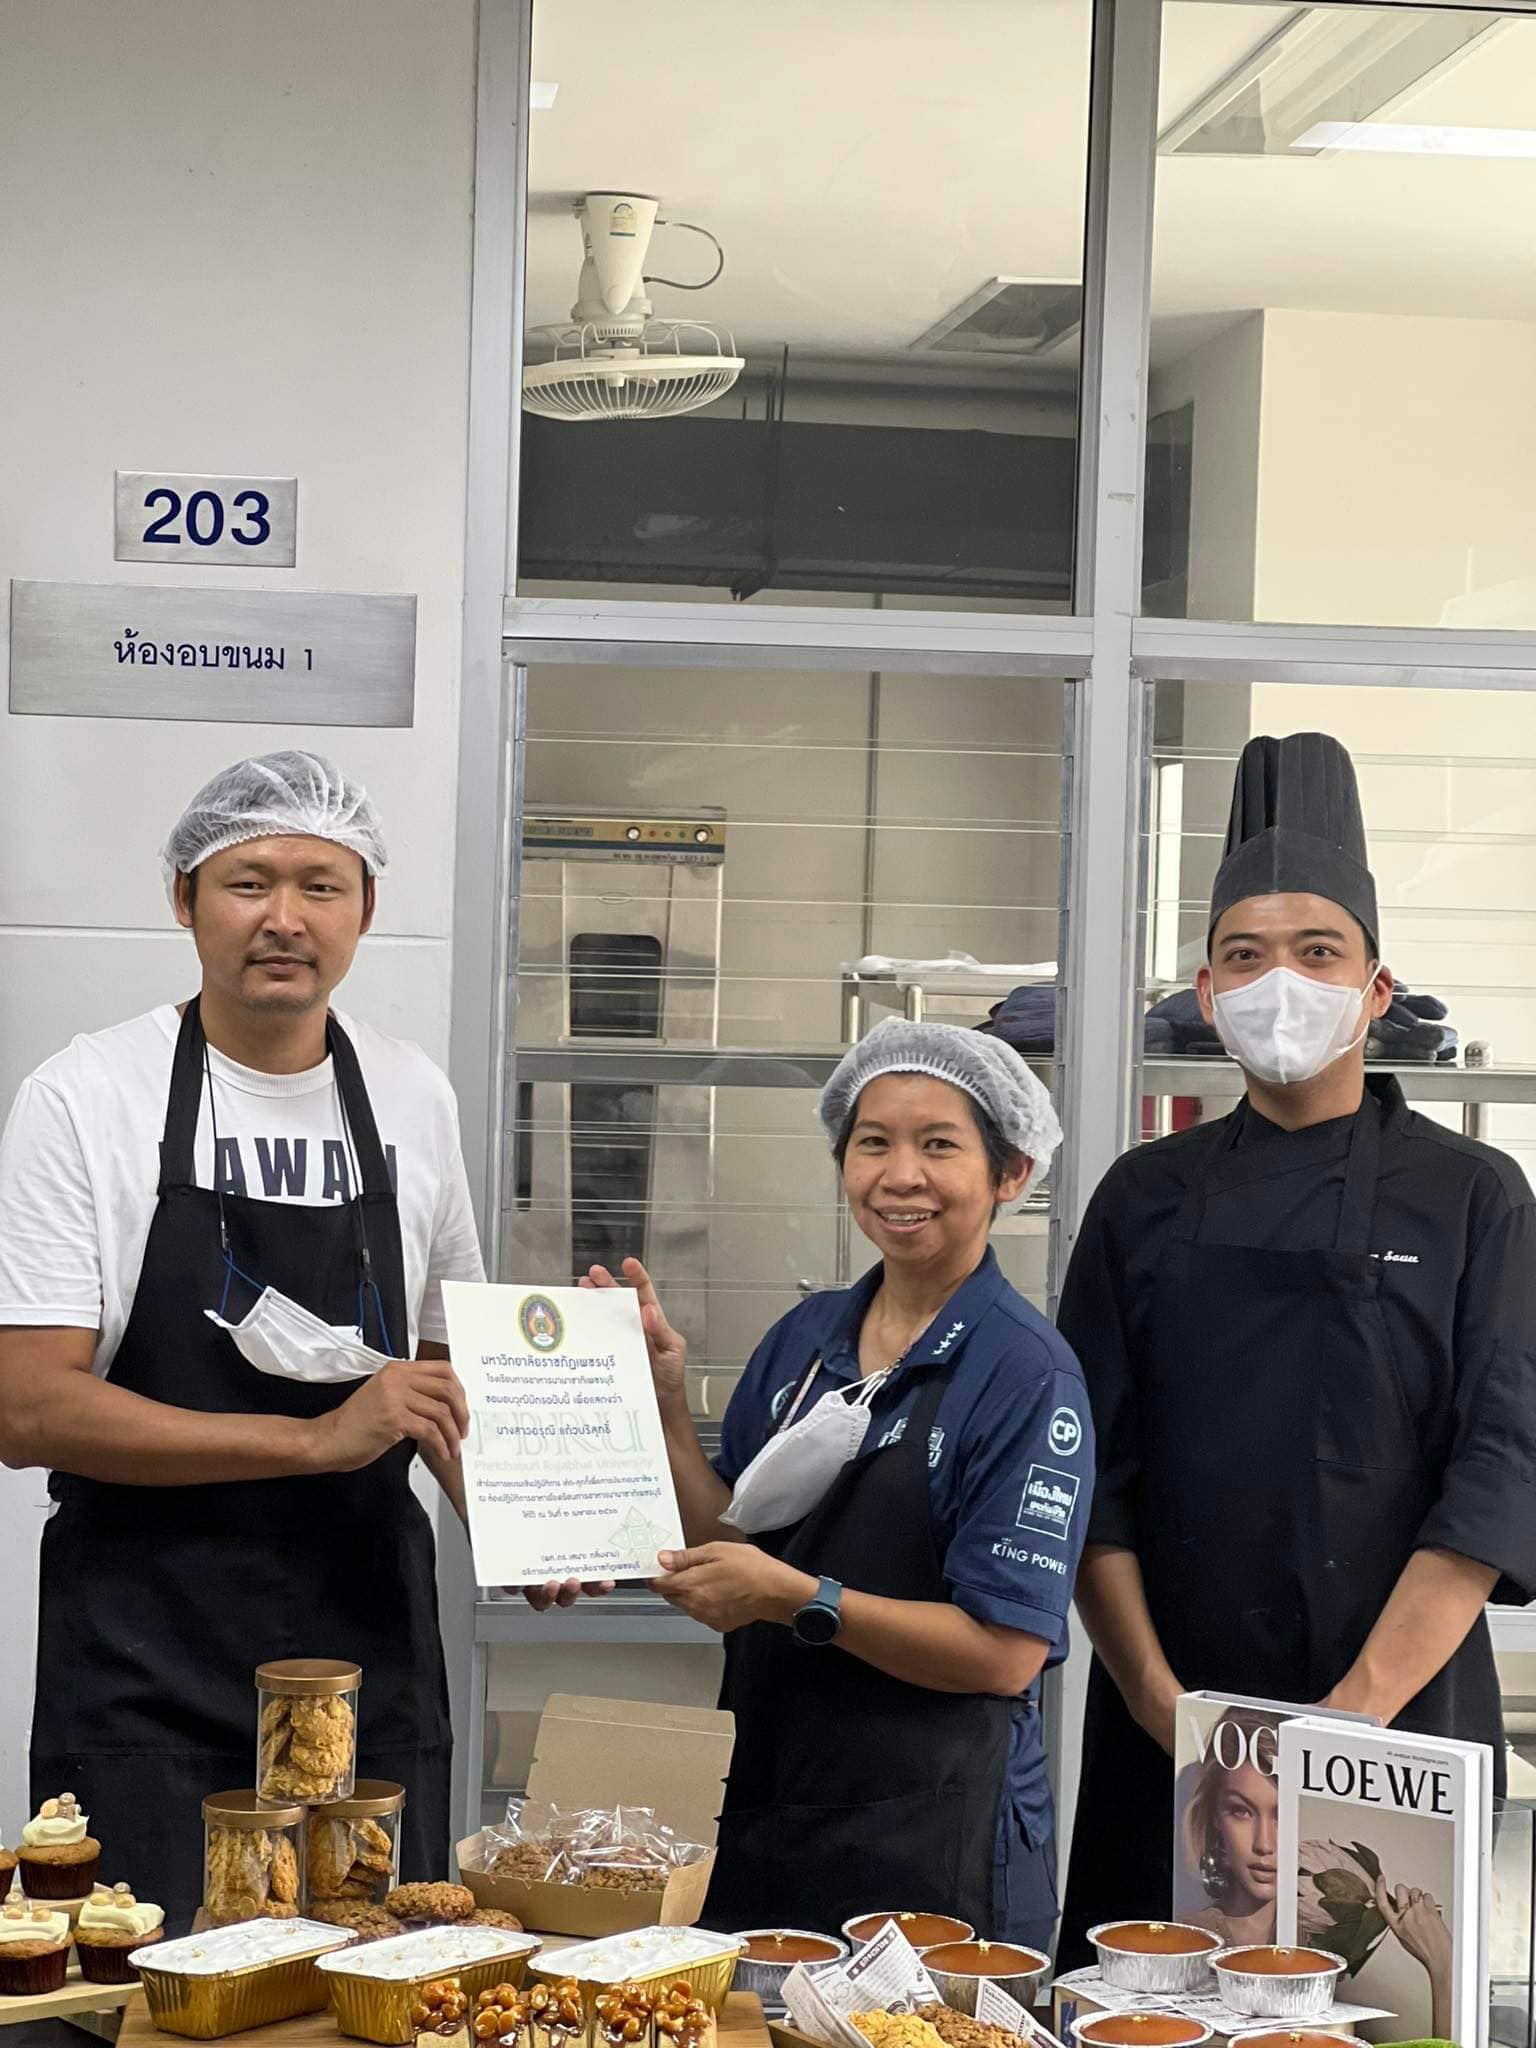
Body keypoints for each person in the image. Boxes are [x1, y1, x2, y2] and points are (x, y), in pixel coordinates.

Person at [1056, 730, 1536, 1962]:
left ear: (1377, 986)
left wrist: (1349, 1719)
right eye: (1245, 955)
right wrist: (1164, 1704)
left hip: (1399, 1722)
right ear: (1207, 992)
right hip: (1175, 1731)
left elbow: (1498, 1473)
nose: (1282, 981)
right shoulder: (1141, 1197)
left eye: (1318, 951)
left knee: (1381, 2009)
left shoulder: (1475, 1195)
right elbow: (1088, 1473)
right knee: (1148, 2010)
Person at [0, 751, 483, 1925]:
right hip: (147, 1655)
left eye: (321, 884)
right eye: (248, 881)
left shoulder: (413, 1094)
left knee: (376, 1981)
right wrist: (314, 1440)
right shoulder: (86, 1094)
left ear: (367, 905)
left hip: (368, 1650)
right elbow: (25, 1406)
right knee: (151, 1988)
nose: (285, 918)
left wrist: (524, 1523)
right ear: (184, 897)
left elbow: (447, 1371)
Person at [577, 1020, 1092, 1948]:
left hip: (935, 1831)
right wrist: (661, 1406)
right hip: (769, 1802)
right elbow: (731, 1544)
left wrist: (797, 1599)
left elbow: (1005, 1653)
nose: (901, 1175)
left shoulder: (1025, 1374)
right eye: (874, 1143)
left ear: (1011, 1173)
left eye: (939, 1145)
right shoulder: (806, 1339)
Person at [1179, 1708, 1281, 1946]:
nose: (1264, 1844)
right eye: (1241, 1811)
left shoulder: (1329, 1939)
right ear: (1214, 1814)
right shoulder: (1187, 1940)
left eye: (1282, 1816)